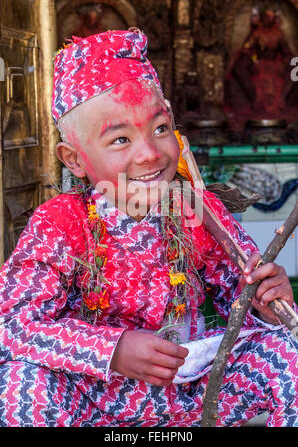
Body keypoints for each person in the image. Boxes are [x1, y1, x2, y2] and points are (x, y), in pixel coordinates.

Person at [0, 29, 297, 427]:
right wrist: (112, 349)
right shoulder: (60, 222)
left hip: (193, 390)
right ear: (74, 159)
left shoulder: (196, 207)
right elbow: (13, 324)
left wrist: (265, 304)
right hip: (92, 396)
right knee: (21, 383)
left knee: (288, 350)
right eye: (121, 139)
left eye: (160, 129)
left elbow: (238, 299)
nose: (151, 154)